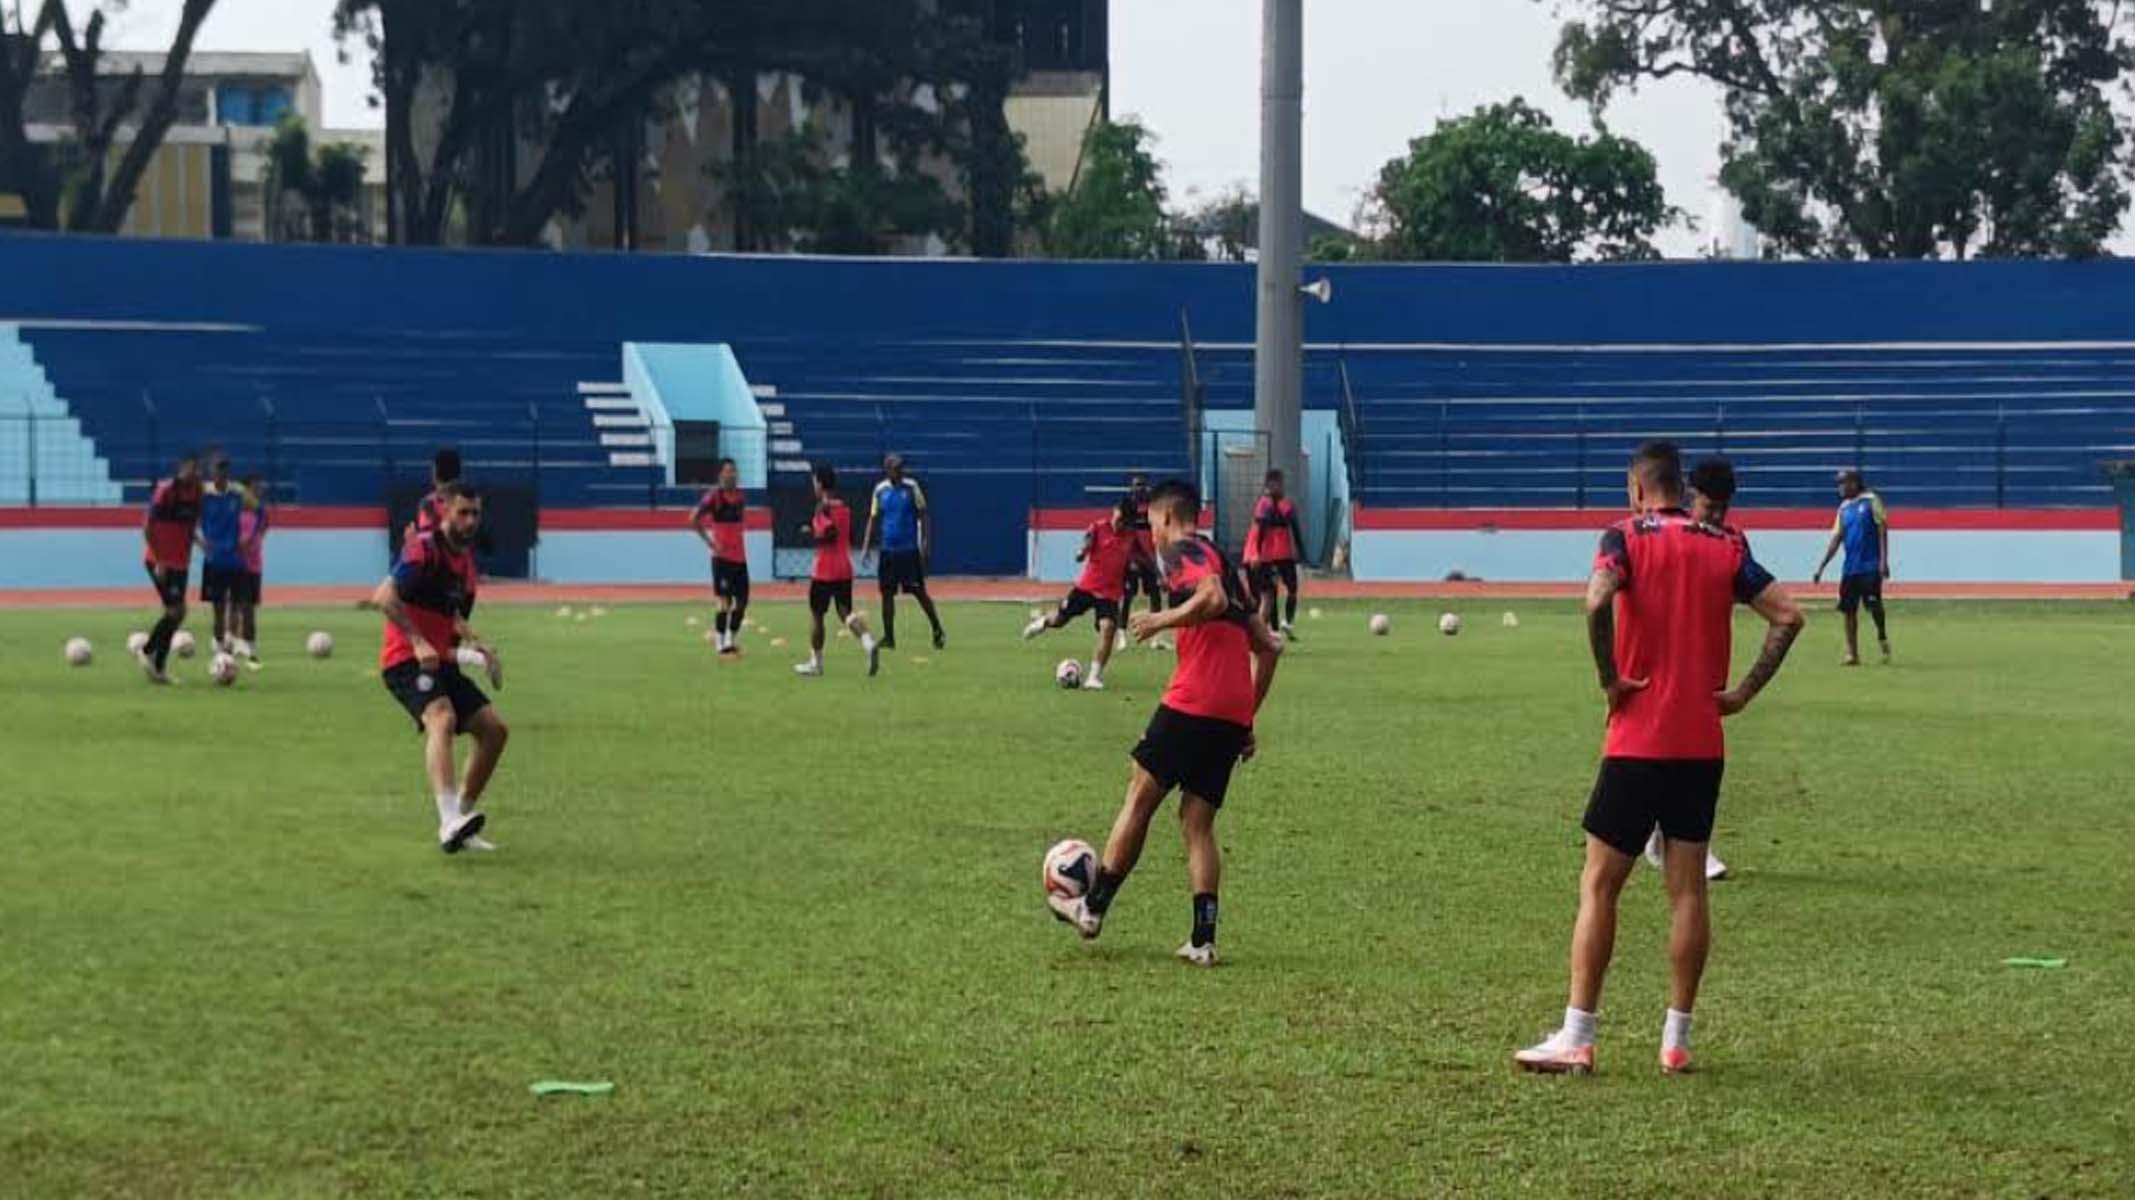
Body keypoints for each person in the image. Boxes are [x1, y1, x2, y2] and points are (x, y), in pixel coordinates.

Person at [1515, 442, 1803, 1077]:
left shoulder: (1623, 537)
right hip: (1700, 743)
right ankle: (1677, 1039)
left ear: (1637, 488)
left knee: (1600, 885)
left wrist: (1610, 679)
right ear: (1681, 486)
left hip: (1637, 741)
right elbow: (1788, 615)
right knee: (1688, 890)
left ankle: (1577, 1035)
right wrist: (1742, 694)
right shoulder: (1726, 544)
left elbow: (1597, 599)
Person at [1047, 480, 1285, 966]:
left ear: (1169, 518)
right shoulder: (1226, 563)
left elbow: (1210, 597)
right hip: (1229, 709)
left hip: (1193, 699)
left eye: (1152, 523)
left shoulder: (1182, 551)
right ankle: (1203, 940)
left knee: (1140, 797)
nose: (1150, 534)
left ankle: (1092, 908)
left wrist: (1161, 619)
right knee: (1197, 822)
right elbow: (1269, 647)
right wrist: (1245, 717)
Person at [368, 482, 508, 854]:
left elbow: (453, 618)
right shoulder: (424, 549)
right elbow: (384, 598)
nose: (470, 521)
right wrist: (417, 641)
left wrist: (477, 645)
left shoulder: (467, 567)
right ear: (445, 510)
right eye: (463, 512)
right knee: (441, 718)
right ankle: (448, 822)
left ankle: (461, 819)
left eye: (475, 513)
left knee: (494, 731)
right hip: (404, 659)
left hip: (439, 661)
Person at [1642, 457, 1739, 883]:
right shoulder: (1664, 535)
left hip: (1705, 670)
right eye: (1708, 506)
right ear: (1688, 496)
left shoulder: (1731, 542)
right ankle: (1675, 841)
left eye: (1723, 508)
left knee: (1695, 762)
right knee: (1667, 757)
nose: (1715, 516)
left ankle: (1662, 837)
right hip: (1661, 668)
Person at [1022, 496, 1138, 691]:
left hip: (1110, 593)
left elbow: (1137, 558)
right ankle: (1043, 622)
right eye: (1118, 519)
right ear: (1114, 511)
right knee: (1059, 621)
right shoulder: (1098, 528)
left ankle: (1093, 677)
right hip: (1086, 587)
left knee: (1108, 628)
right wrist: (1082, 552)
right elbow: (1086, 544)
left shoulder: (1131, 537)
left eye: (1124, 523)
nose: (1119, 525)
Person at [795, 463, 882, 678]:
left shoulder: (822, 508)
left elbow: (829, 532)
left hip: (824, 570)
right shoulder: (844, 508)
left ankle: (816, 663)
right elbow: (848, 535)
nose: (813, 486)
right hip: (844, 568)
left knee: (817, 615)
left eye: (814, 481)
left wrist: (812, 533)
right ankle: (868, 642)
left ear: (820, 483)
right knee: (846, 613)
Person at [861, 454, 946, 650]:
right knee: (887, 594)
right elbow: (873, 519)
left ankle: (937, 628)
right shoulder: (880, 490)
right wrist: (866, 547)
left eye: (901, 468)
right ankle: (889, 637)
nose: (899, 471)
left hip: (908, 551)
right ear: (887, 470)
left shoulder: (912, 487)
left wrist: (925, 541)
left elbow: (924, 514)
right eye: (895, 468)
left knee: (918, 591)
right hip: (888, 551)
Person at [135, 453, 203, 685]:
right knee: (176, 612)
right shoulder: (166, 491)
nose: (194, 473)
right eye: (191, 468)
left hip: (181, 562)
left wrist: (201, 543)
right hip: (160, 562)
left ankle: (158, 667)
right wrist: (160, 560)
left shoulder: (197, 493)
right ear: (181, 468)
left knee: (177, 613)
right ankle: (147, 651)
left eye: (197, 469)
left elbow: (188, 526)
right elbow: (147, 527)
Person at [1812, 468, 1892, 666]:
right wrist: (1821, 566)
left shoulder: (1872, 500)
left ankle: (1881, 635)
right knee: (1848, 611)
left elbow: (1882, 530)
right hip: (1850, 569)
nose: (1840, 487)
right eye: (1839, 483)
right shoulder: (1843, 509)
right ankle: (1852, 653)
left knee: (1873, 605)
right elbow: (1836, 539)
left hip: (1870, 565)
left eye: (1843, 483)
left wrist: (1883, 561)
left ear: (1854, 483)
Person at [690, 457, 750, 657]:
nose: (731, 475)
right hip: (722, 559)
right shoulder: (714, 497)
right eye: (728, 471)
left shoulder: (740, 497)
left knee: (742, 602)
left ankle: (731, 640)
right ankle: (719, 643)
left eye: (734, 471)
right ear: (720, 475)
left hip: (740, 558)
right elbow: (693, 518)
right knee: (724, 602)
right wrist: (710, 543)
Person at [196, 455, 249, 660]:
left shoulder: (237, 494)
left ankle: (231, 641)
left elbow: (255, 515)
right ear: (211, 471)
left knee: (235, 605)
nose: (221, 473)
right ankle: (218, 643)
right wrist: (200, 542)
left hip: (235, 559)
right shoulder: (203, 495)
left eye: (224, 469)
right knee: (217, 608)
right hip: (214, 560)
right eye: (218, 469)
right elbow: (191, 521)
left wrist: (246, 539)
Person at [1243, 469, 1305, 635]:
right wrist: (1256, 553)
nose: (1284, 488)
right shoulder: (1266, 504)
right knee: (1266, 596)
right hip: (1258, 558)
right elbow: (1261, 529)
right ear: (1273, 485)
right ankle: (1259, 633)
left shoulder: (1275, 504)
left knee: (1267, 595)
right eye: (1281, 484)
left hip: (1265, 558)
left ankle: (1269, 631)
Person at [1120, 474, 1169, 651]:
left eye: (1142, 485)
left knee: (1155, 595)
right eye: (1136, 485)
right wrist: (1128, 558)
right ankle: (1122, 637)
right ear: (1132, 488)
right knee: (1127, 597)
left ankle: (1156, 638)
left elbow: (1159, 531)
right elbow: (1125, 534)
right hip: (1133, 558)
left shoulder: (1153, 506)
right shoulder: (1127, 506)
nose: (1139, 489)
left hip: (1150, 557)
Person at [233, 474, 269, 671]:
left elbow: (262, 532)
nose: (258, 491)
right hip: (237, 566)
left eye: (259, 488)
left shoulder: (261, 514)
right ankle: (233, 647)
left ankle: (249, 648)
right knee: (239, 607)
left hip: (254, 566)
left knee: (249, 609)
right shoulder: (234, 513)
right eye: (255, 488)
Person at [405, 448, 462, 544]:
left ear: (434, 472)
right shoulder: (470, 501)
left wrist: (413, 540)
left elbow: (426, 536)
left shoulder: (429, 503)